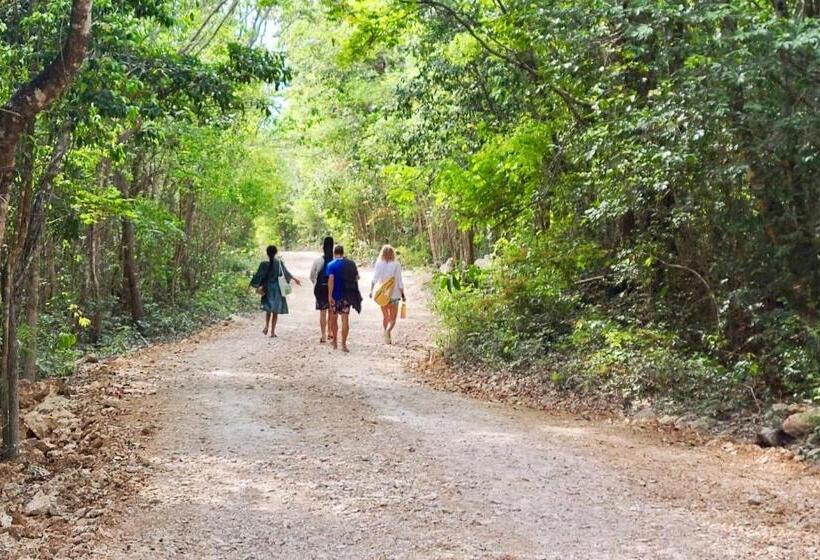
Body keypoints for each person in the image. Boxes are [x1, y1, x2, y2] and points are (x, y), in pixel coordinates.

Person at [250, 245, 301, 337]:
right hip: (277, 289)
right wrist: (295, 279)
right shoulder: (279, 263)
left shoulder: (263, 264)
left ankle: (266, 326)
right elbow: (286, 273)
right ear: (276, 252)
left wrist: (251, 285)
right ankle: (273, 332)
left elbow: (258, 276)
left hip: (267, 289)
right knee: (275, 311)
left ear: (267, 253)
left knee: (268, 310)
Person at [326, 244, 362, 352]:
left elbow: (331, 280)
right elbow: (357, 277)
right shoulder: (351, 264)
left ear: (334, 253)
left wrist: (329, 295)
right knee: (345, 319)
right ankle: (344, 345)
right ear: (343, 252)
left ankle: (335, 342)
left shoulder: (331, 265)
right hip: (347, 296)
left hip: (335, 297)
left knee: (334, 318)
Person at [370, 244, 406, 344]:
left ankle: (385, 335)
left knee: (385, 317)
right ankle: (388, 331)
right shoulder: (396, 264)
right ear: (393, 253)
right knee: (393, 318)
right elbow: (399, 281)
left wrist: (371, 290)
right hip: (394, 294)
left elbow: (374, 279)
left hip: (383, 295)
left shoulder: (378, 264)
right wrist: (403, 294)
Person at [309, 236, 334, 343]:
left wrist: (315, 284)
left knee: (322, 313)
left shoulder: (318, 260)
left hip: (320, 289)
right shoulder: (335, 261)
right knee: (331, 311)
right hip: (332, 289)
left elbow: (311, 275)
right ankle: (330, 332)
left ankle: (323, 335)